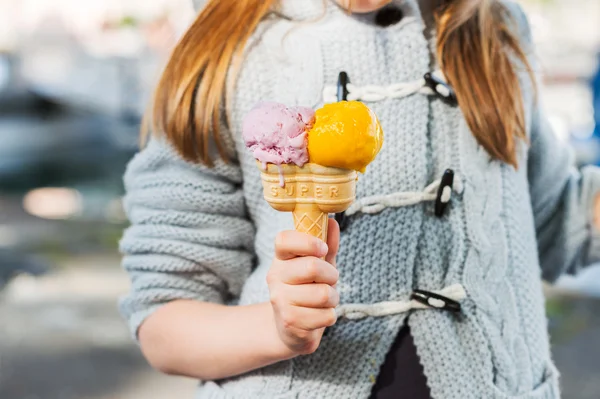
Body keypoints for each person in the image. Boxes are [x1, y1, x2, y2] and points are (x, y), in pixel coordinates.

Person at [119, 0, 600, 398]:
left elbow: (549, 223)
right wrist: (278, 328)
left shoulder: (494, 25)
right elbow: (166, 322)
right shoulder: (221, 49)